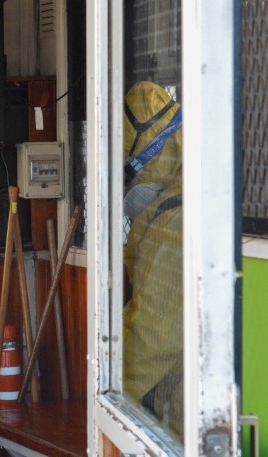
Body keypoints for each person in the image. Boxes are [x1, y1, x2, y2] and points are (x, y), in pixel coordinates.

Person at [121, 81, 184, 438]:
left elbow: (151, 335)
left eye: (127, 167)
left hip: (183, 414)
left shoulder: (177, 214)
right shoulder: (170, 201)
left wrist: (104, 392)